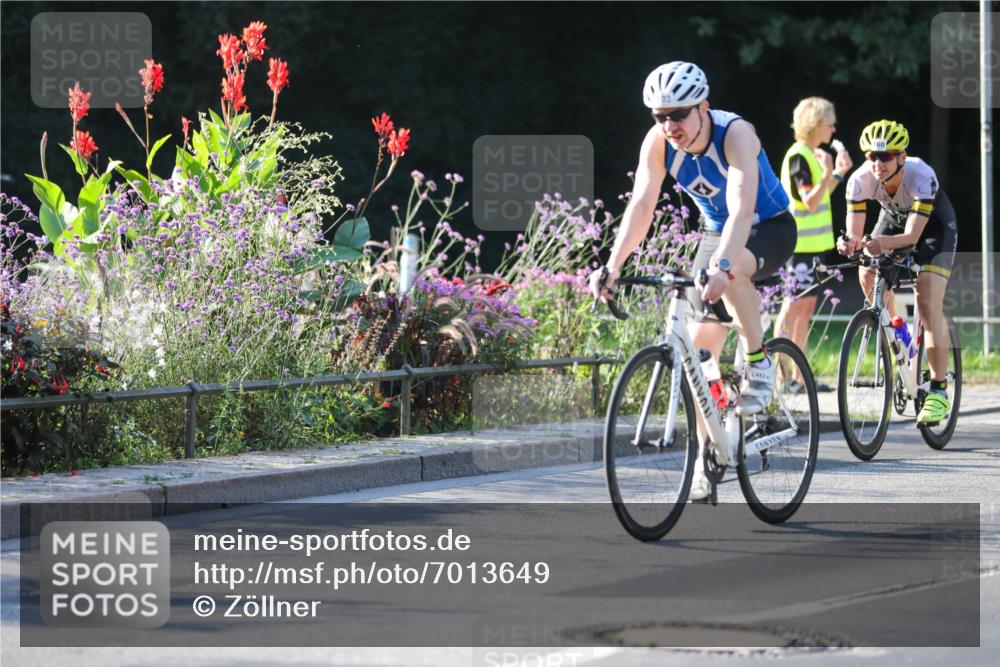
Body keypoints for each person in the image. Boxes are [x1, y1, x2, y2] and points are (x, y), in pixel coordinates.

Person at [589, 61, 797, 500]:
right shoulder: (659, 143)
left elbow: (742, 206)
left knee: (734, 268)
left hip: (768, 226)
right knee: (699, 355)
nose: (669, 125)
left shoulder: (736, 133)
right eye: (660, 116)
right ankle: (711, 454)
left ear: (703, 106)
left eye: (678, 114)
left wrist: (722, 267)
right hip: (716, 234)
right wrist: (612, 265)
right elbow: (641, 207)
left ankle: (759, 361)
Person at [836, 119, 958, 424]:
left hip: (933, 229)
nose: (877, 163)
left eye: (886, 156)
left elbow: (912, 238)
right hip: (892, 221)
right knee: (866, 271)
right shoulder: (859, 180)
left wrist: (879, 243)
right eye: (871, 156)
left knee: (927, 301)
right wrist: (850, 243)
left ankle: (939, 391)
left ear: (901, 156)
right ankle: (899, 330)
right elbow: (856, 233)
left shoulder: (921, 174)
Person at [775, 97, 853, 393]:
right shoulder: (799, 156)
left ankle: (798, 376)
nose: (833, 129)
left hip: (811, 247)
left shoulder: (809, 154)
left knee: (803, 310)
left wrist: (838, 175)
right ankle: (783, 377)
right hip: (799, 247)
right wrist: (831, 172)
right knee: (793, 308)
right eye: (829, 123)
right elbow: (809, 202)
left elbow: (820, 196)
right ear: (816, 124)